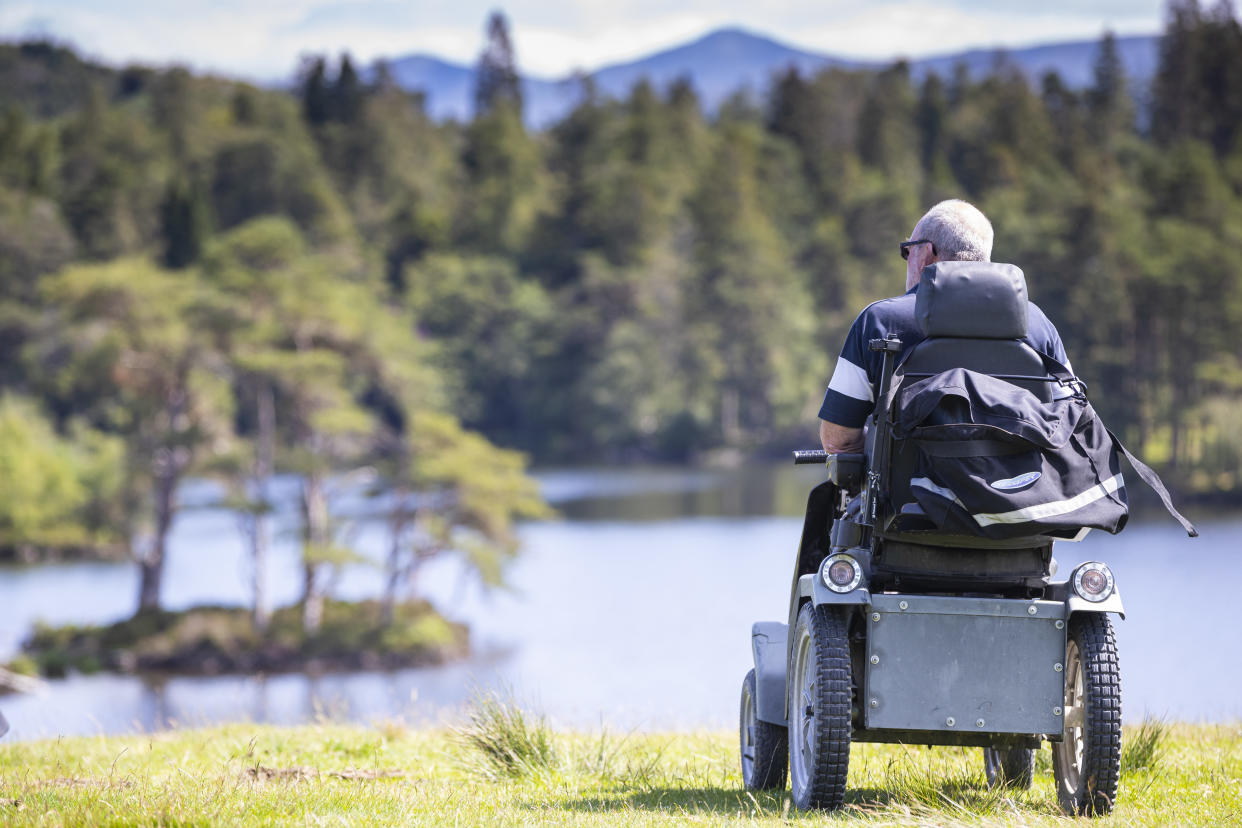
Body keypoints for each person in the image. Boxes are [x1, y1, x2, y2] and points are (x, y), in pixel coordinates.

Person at [817, 199, 1072, 454]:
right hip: (1026, 490)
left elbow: (838, 441)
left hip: (912, 493)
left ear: (926, 254)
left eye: (907, 251)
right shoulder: (1038, 322)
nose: (906, 260)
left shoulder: (879, 322)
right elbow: (1068, 420)